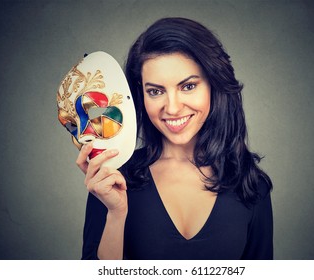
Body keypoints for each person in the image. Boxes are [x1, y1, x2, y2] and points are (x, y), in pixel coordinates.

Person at [76, 17, 273, 260]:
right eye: (156, 91)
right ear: (141, 94)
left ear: (214, 84)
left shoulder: (251, 184)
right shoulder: (112, 178)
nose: (172, 107)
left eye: (188, 86)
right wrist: (116, 215)